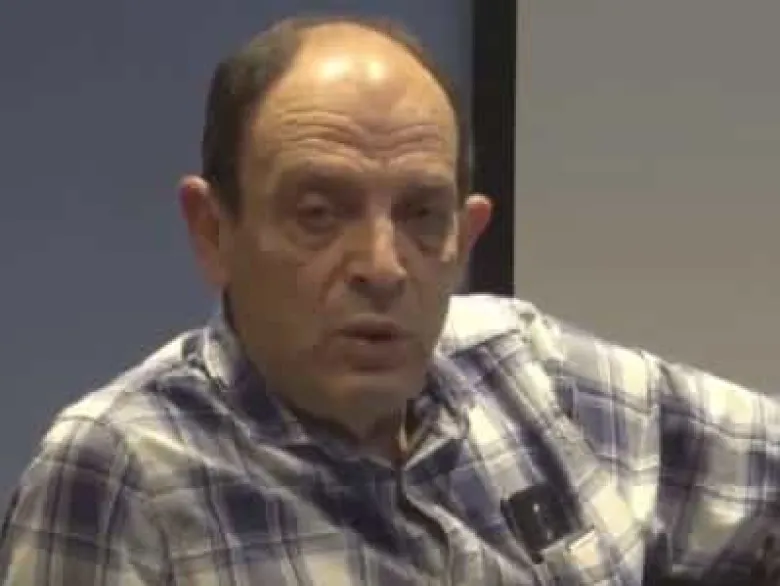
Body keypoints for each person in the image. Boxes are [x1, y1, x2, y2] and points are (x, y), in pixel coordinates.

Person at [0, 15, 778, 586]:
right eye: (319, 214)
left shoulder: (526, 372)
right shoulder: (124, 472)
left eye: (421, 215)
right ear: (214, 231)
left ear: (465, 238)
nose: (382, 267)